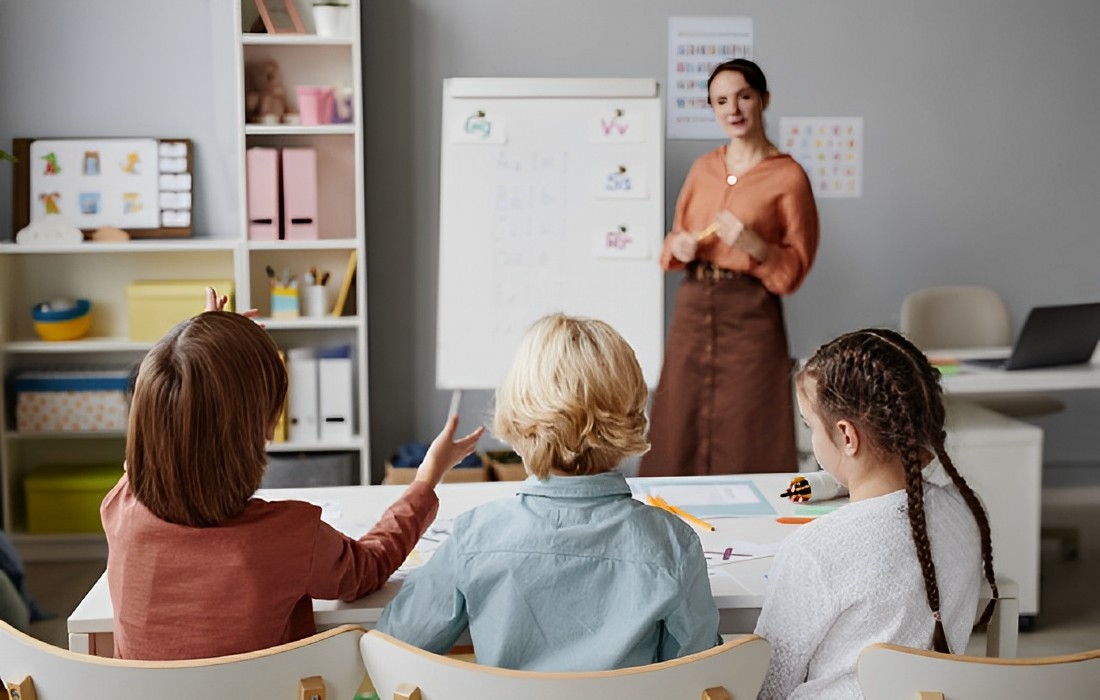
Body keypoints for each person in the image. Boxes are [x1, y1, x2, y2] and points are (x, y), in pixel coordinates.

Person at [101, 290, 483, 660]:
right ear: (265, 432)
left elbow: (158, 429)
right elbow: (367, 570)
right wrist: (426, 479)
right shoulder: (292, 537)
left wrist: (201, 343)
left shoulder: (121, 507)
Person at [377, 313, 720, 671]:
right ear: (633, 414)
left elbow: (394, 643)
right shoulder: (673, 544)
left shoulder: (475, 537)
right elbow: (702, 673)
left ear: (518, 417)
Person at [754, 328, 999, 699]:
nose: (812, 440)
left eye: (810, 426)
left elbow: (766, 686)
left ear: (847, 437)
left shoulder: (813, 552)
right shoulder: (963, 510)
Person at [641, 58, 819, 477]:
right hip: (693, 306)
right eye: (721, 100)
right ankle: (670, 521)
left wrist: (753, 244)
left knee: (751, 424)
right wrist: (679, 245)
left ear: (763, 100)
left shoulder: (789, 176)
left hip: (751, 312)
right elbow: (670, 244)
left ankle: (758, 528)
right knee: (678, 418)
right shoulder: (703, 169)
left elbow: (793, 269)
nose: (733, 109)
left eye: (743, 96)